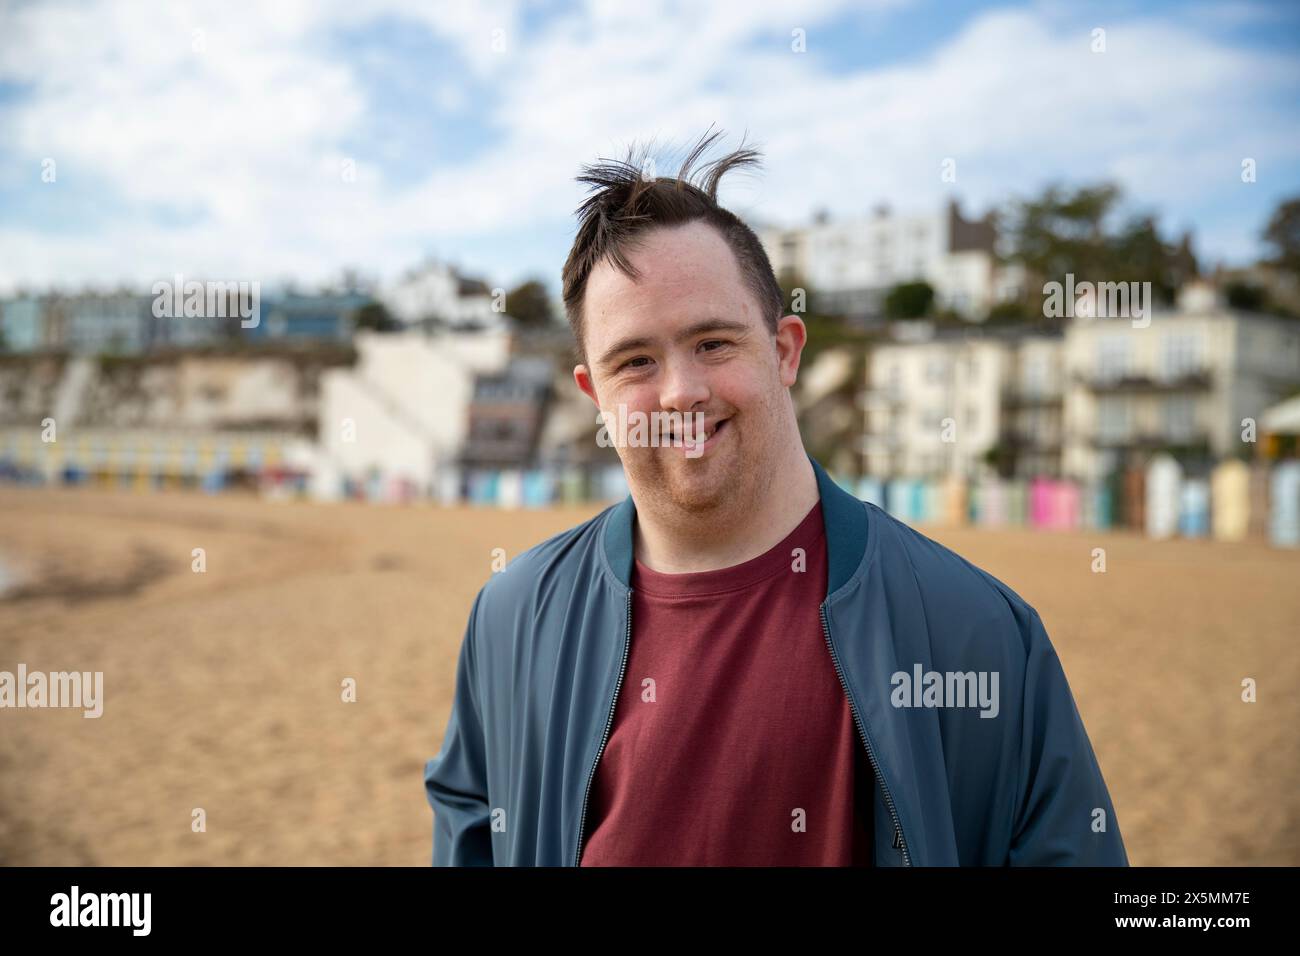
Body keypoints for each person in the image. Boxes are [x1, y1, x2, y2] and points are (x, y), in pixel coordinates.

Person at [424, 128, 1128, 866]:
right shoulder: (511, 620)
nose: (681, 392)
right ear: (593, 393)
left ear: (785, 350)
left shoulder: (977, 630)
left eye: (714, 344)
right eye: (635, 361)